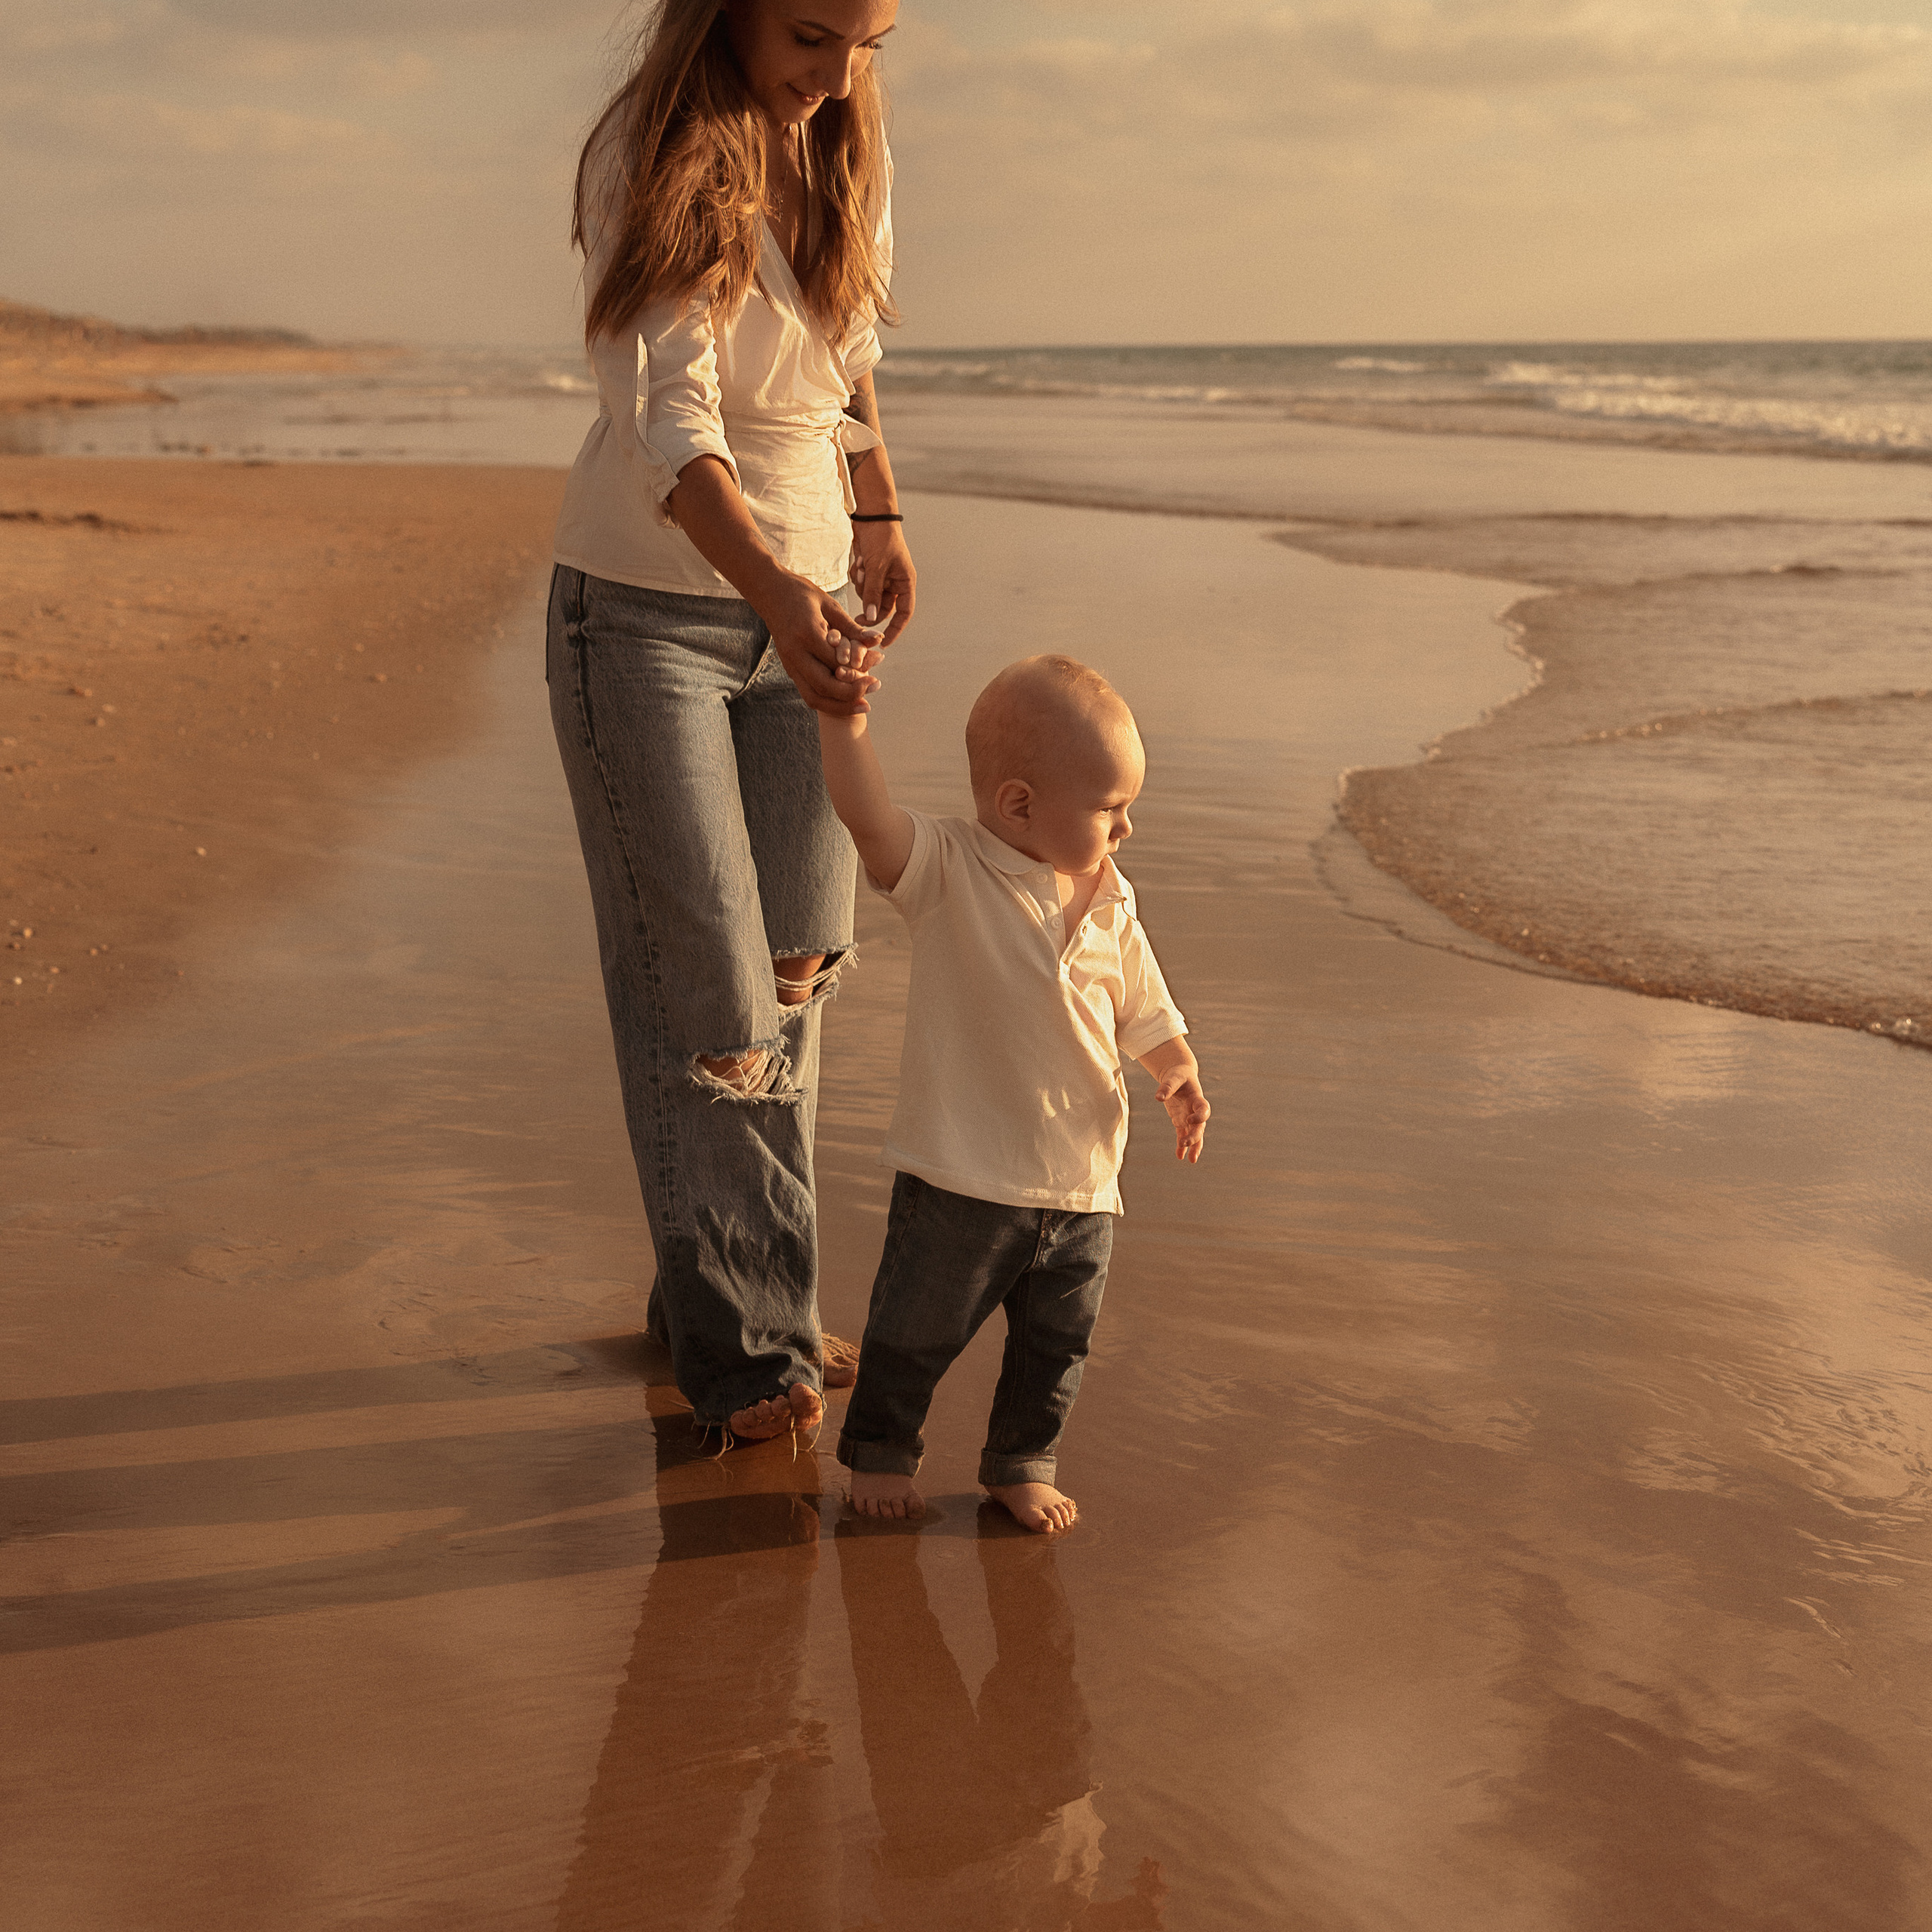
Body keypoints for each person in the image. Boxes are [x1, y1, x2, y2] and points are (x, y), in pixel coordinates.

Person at [546, 0, 914, 1445]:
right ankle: (752, 1349)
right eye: (814, 36)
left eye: (871, 43)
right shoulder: (648, 148)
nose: (837, 77)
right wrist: (774, 582)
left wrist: (878, 515)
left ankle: (717, 1279)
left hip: (809, 614)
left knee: (797, 972)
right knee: (710, 997)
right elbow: (670, 421)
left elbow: (850, 342)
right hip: (646, 615)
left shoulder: (847, 145)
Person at [814, 654, 1211, 1531]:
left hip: (1082, 1184)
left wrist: (1175, 1069)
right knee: (914, 1331)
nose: (1126, 829)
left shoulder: (1112, 900)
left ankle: (1020, 1463)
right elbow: (868, 819)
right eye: (1110, 810)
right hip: (961, 1176)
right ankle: (881, 1453)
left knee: (1055, 1347)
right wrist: (842, 721)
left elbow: (1144, 1005)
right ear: (1020, 804)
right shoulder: (950, 869)